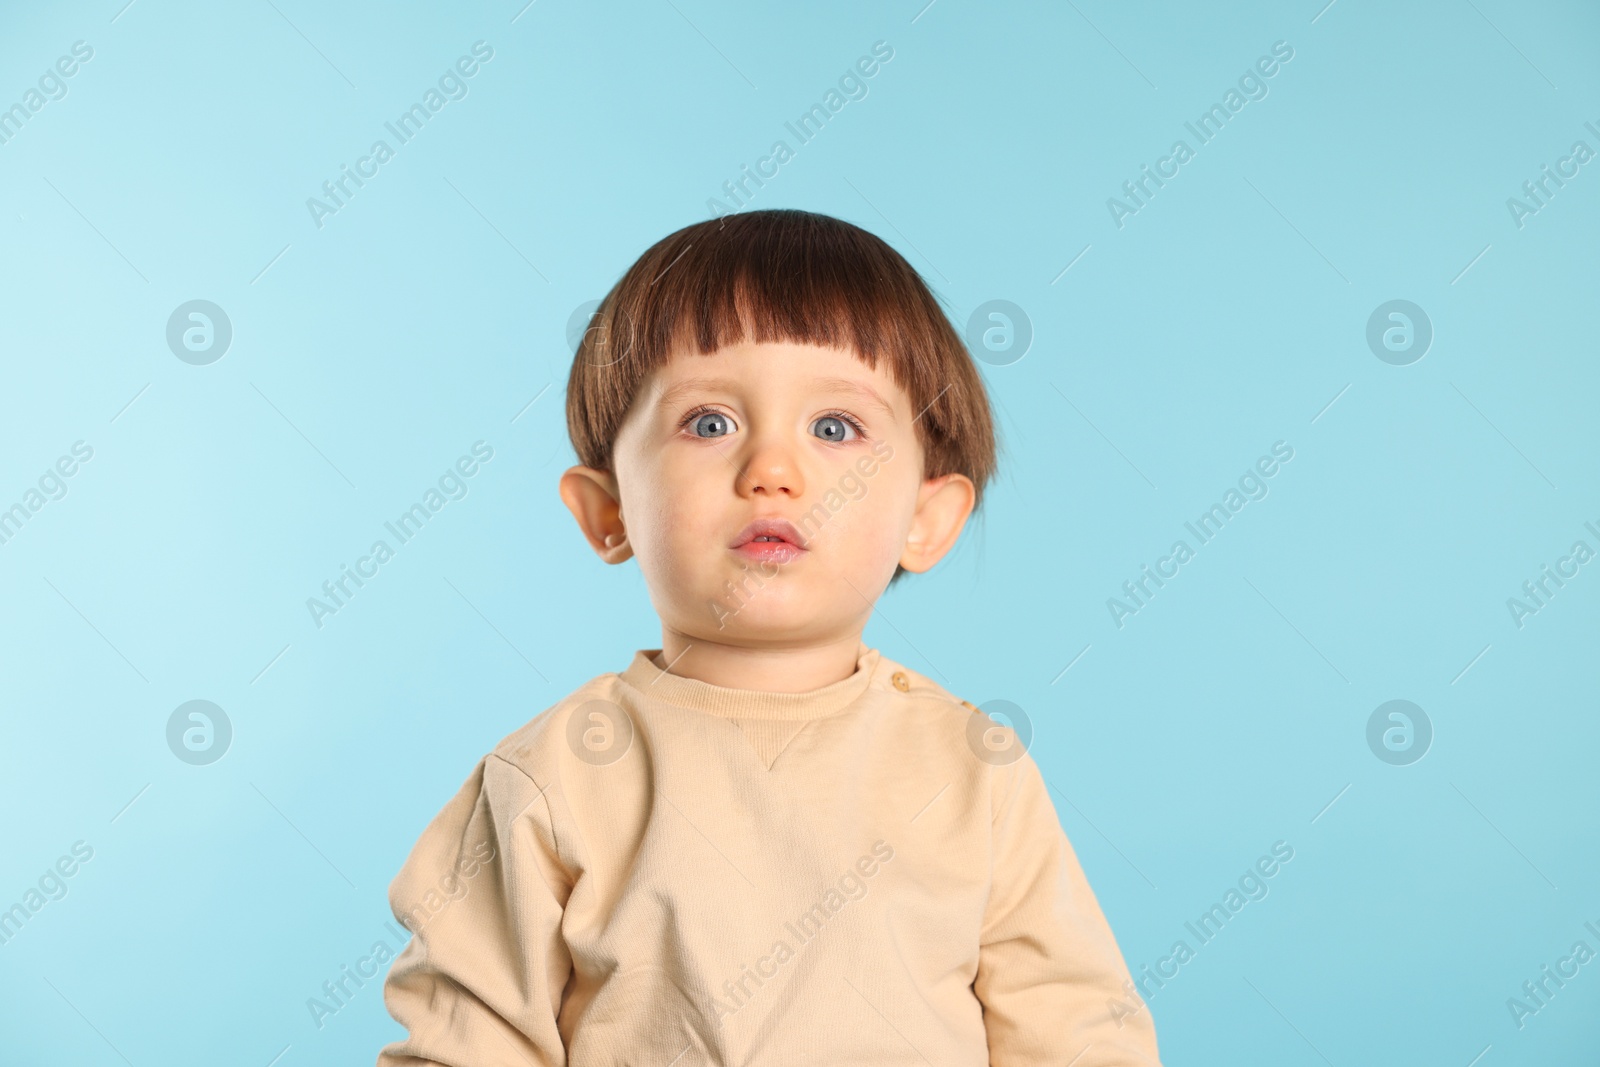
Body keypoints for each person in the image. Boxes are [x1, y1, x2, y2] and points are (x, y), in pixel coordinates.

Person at [375, 208, 1162, 1065]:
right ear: (608, 513)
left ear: (926, 520)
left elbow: (1079, 1033)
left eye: (835, 428)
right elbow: (465, 1042)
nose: (771, 472)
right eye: (710, 423)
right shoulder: (552, 781)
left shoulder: (974, 771)